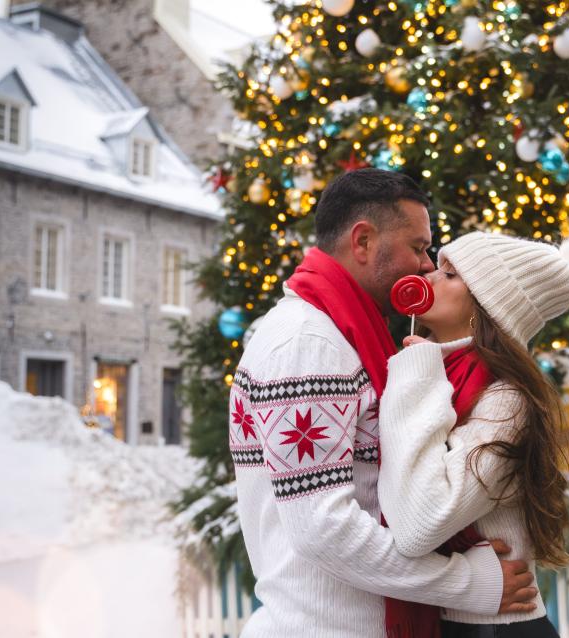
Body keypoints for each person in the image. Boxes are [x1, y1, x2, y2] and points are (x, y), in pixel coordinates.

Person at [228, 169, 537, 638]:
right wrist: (465, 582)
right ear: (363, 241)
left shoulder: (340, 336)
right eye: (418, 247)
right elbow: (323, 528)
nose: (426, 264)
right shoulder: (309, 344)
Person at [377, 231, 569, 637]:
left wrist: (412, 377)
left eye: (450, 274)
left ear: (486, 306)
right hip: (448, 620)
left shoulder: (506, 401)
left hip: (497, 629)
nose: (428, 274)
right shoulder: (433, 374)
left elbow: (417, 526)